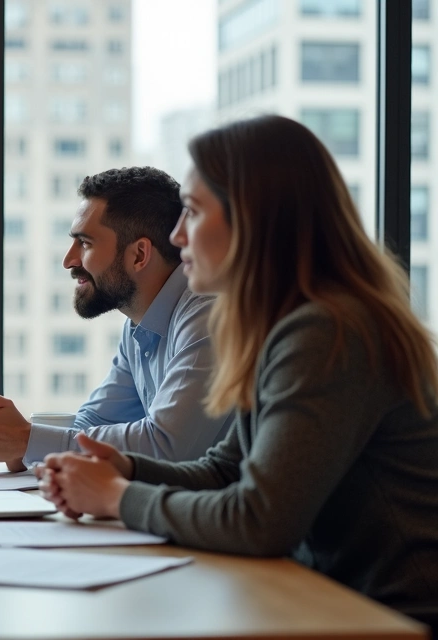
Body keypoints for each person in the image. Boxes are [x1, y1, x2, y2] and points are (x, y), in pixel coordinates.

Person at [38, 115, 438, 627]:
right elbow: (224, 472)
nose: (178, 236)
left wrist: (118, 497)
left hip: (392, 616)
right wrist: (128, 470)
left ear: (255, 222)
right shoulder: (281, 325)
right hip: (331, 600)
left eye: (194, 213)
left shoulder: (329, 330)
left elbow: (260, 519)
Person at [0, 167, 233, 471]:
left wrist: (25, 440)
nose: (68, 260)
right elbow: (94, 422)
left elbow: (167, 445)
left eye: (85, 243)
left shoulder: (209, 315)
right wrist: (15, 441)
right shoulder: (139, 324)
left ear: (139, 255)